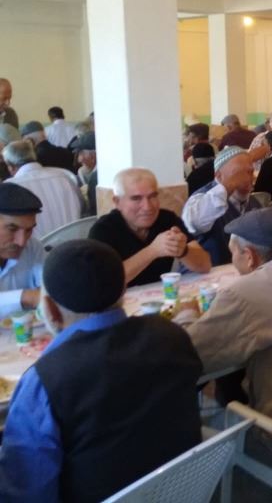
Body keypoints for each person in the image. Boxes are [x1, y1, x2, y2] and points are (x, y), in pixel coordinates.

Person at [0, 239, 202, 502]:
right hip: (184, 488)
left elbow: (26, 491)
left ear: (49, 309)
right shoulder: (171, 335)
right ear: (123, 291)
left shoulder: (45, 381)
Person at [185, 209, 272, 478]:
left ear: (249, 256)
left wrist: (188, 315)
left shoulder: (243, 294)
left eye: (233, 254)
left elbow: (190, 355)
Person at [89, 168, 210, 285]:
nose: (147, 207)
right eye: (136, 198)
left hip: (160, 295)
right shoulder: (103, 230)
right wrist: (153, 250)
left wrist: (183, 250)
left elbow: (205, 265)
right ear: (117, 202)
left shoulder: (167, 219)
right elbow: (104, 281)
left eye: (152, 196)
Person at [182, 147, 261, 266]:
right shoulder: (201, 199)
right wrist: (228, 187)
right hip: (206, 274)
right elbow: (194, 223)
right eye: (237, 173)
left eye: (250, 172)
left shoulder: (254, 204)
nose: (246, 178)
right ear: (218, 176)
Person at [3, 140, 83, 239]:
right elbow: (83, 207)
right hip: (75, 242)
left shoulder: (9, 187)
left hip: (36, 247)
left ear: (10, 167)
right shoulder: (65, 176)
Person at [0, 183, 44, 318]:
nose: (22, 242)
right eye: (12, 229)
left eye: (29, 230)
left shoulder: (32, 247)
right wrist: (26, 296)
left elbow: (51, 289)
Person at [70, 131, 98, 216]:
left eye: (81, 154)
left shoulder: (96, 178)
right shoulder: (83, 172)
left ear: (93, 156)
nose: (79, 160)